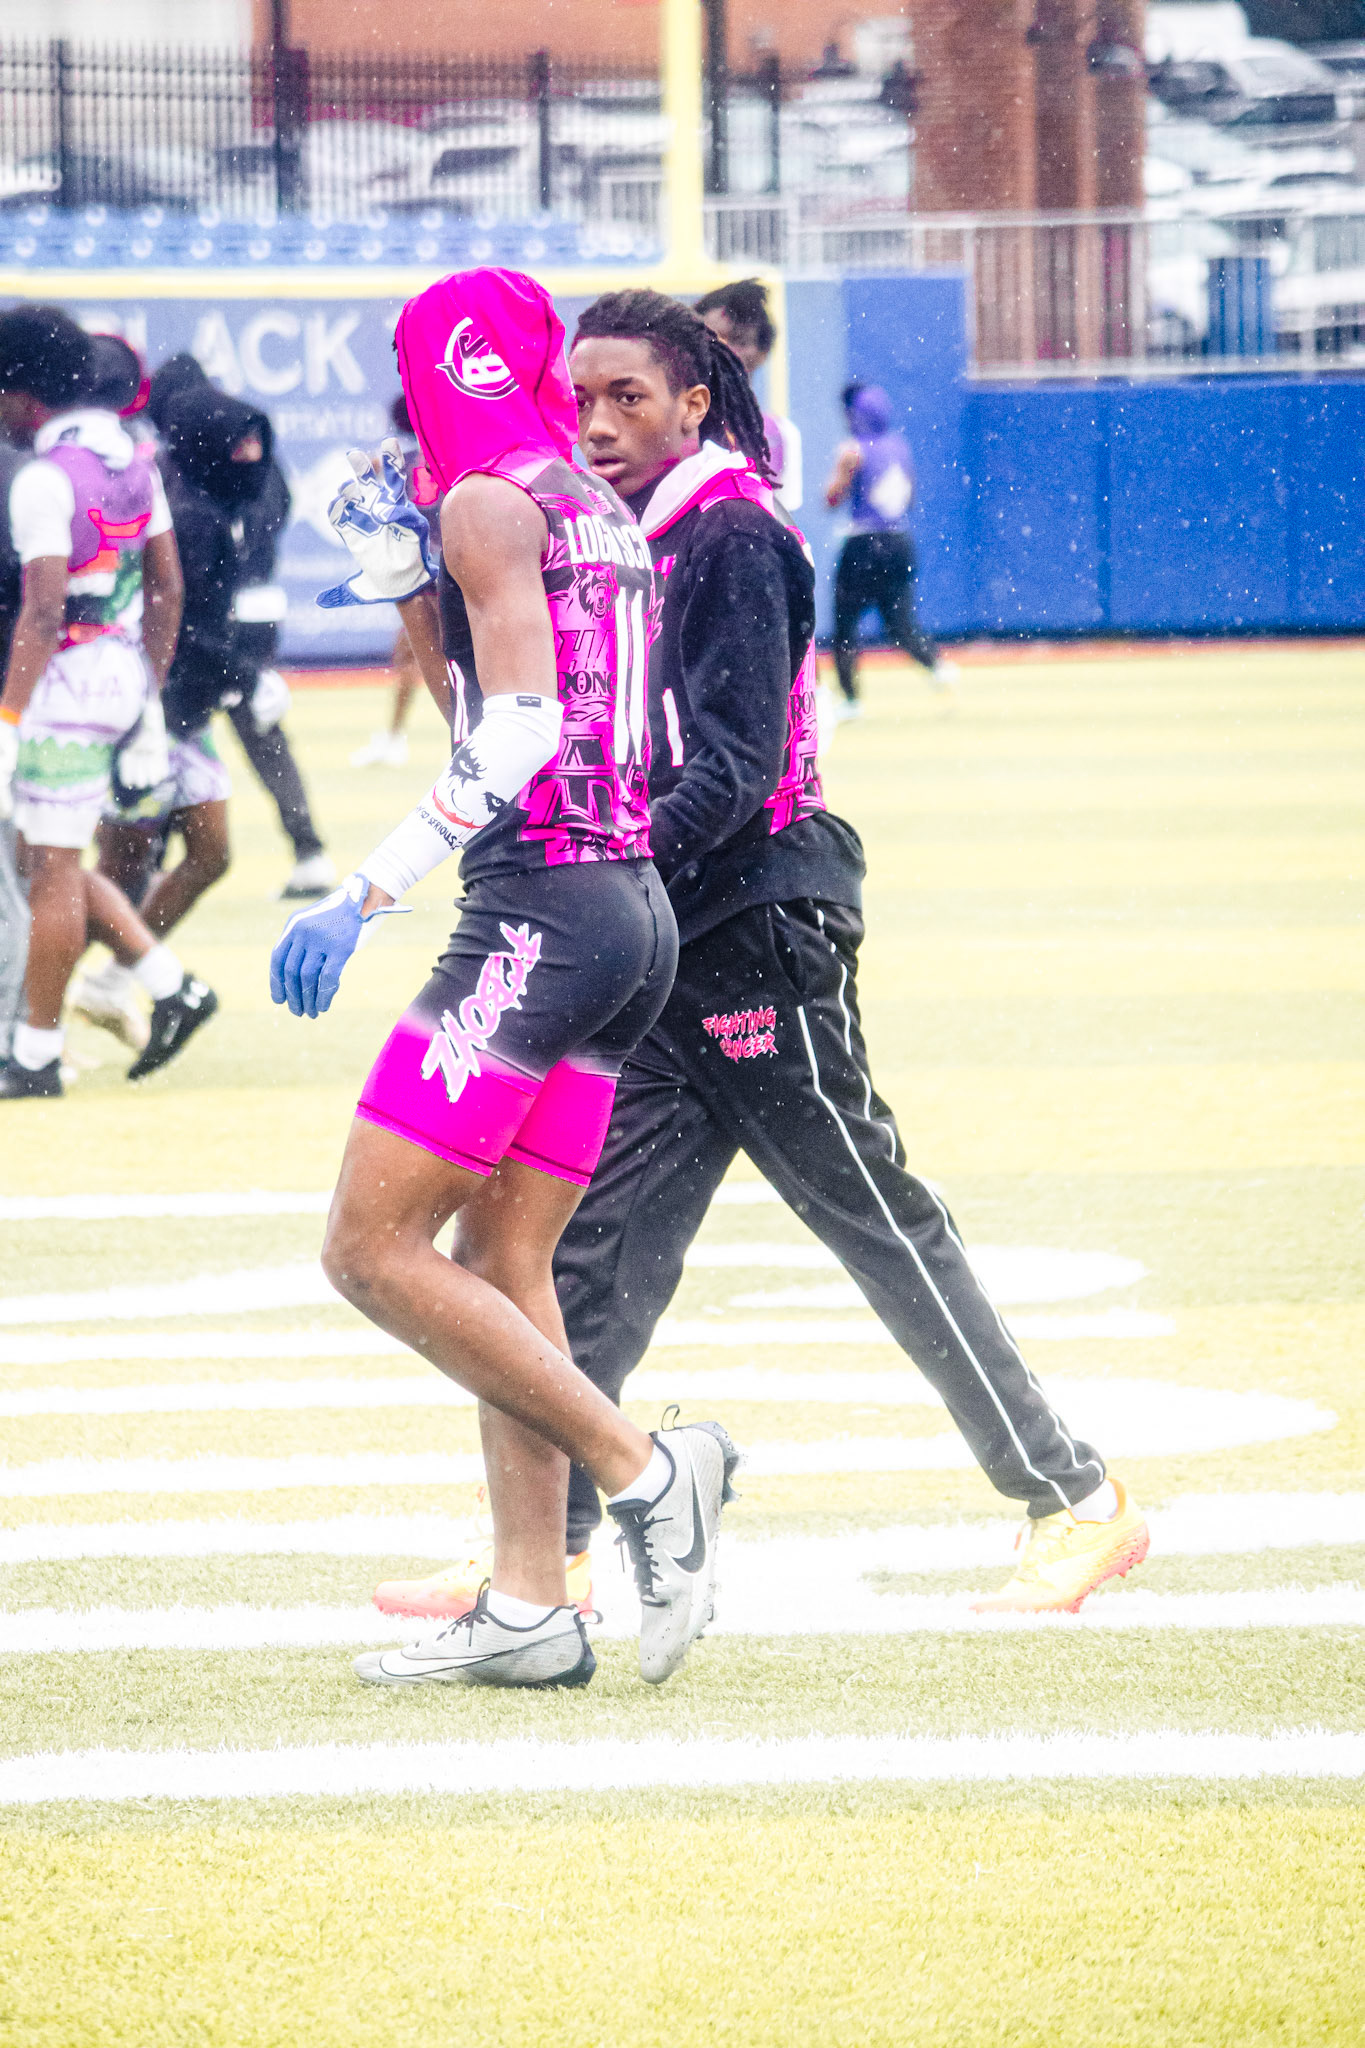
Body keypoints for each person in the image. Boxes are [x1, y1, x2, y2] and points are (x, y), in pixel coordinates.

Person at [377, 288, 1147, 1627]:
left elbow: (732, 772)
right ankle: (550, 1548)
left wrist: (607, 876)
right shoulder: (619, 532)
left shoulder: (733, 532)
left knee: (874, 1222)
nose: (598, 422)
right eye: (581, 396)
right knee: (590, 1250)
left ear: (695, 403)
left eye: (630, 397)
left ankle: (1077, 1500)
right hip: (667, 936)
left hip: (755, 929)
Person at [270, 266, 736, 1690]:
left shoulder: (487, 497)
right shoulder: (585, 499)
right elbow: (509, 698)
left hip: (542, 909)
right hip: (627, 914)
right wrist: (414, 582)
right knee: (505, 1259)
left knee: (369, 1246)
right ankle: (532, 1603)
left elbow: (521, 728)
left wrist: (365, 889)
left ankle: (646, 1469)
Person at [0, 305, 218, 1098]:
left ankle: (35, 1053)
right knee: (50, 862)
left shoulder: (45, 478)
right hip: (124, 670)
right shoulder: (137, 463)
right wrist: (148, 697)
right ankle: (162, 986)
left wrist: (7, 719)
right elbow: (168, 589)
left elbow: (43, 611)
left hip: (60, 683)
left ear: (24, 397)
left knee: (52, 872)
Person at [74, 389, 276, 1049]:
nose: (253, 454)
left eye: (257, 440)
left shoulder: (212, 509)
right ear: (207, 447)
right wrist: (246, 676)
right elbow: (178, 626)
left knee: (209, 855)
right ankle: (29, 1010)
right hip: (152, 713)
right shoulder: (190, 518)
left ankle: (108, 983)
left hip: (187, 714)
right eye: (239, 442)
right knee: (116, 868)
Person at [147, 352, 335, 901]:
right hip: (255, 608)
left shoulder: (183, 468)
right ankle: (308, 850)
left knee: (170, 735)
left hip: (208, 619)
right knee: (259, 732)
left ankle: (147, 862)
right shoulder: (254, 456)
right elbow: (276, 509)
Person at [825, 381, 954, 710]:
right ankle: (936, 665)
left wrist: (844, 478)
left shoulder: (853, 449)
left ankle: (851, 698)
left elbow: (832, 498)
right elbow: (910, 498)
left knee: (845, 623)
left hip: (863, 542)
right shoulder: (900, 447)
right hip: (900, 540)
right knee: (900, 622)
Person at [350, 393, 444, 770]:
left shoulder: (396, 459)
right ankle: (394, 737)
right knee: (413, 653)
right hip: (445, 561)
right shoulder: (442, 451)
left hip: (425, 568)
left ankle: (398, 738)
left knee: (415, 653)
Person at [694, 276, 803, 512]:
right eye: (711, 338)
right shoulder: (673, 427)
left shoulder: (781, 434)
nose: (722, 349)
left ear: (763, 352)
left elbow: (781, 517)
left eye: (738, 341)